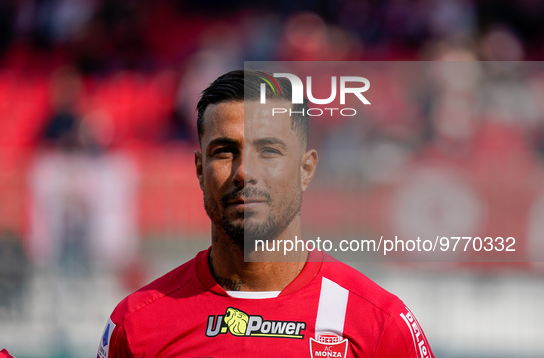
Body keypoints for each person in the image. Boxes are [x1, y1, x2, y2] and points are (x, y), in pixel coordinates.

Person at [98, 70, 434, 357]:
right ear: (200, 170)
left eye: (269, 150)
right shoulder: (136, 325)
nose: (244, 171)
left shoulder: (381, 325)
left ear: (306, 169)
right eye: (225, 151)